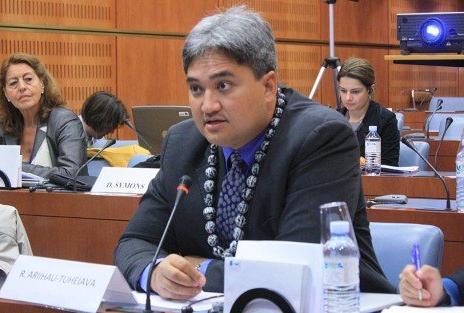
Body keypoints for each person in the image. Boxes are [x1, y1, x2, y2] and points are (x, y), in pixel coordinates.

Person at [115, 6, 395, 300]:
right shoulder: (183, 142)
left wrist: (199, 271)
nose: (207, 105)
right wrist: (156, 272)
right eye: (196, 89)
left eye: (223, 86)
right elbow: (135, 242)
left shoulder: (321, 138)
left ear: (268, 86)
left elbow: (291, 267)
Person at [0, 52, 87, 179]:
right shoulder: (3, 127)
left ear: (42, 84)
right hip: (10, 198)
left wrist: (17, 167)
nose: (21, 87)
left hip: (59, 198)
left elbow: (70, 173)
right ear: (5, 93)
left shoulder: (64, 121)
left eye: (28, 79)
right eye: (13, 83)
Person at [337, 57, 400, 166]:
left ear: (371, 89)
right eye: (343, 91)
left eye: (355, 92)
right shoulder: (334, 118)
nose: (348, 98)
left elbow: (389, 166)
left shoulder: (385, 120)